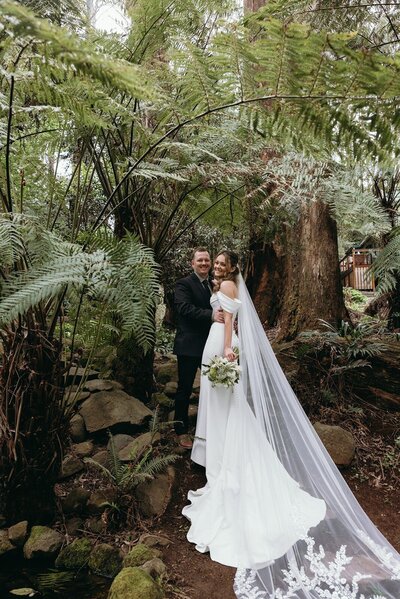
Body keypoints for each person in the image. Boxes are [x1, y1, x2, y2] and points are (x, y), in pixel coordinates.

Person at [182, 249, 400, 599]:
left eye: (222, 262)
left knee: (228, 413)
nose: (218, 266)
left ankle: (226, 468)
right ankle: (221, 464)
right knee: (228, 413)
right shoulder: (225, 284)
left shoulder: (226, 284)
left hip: (221, 349)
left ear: (231, 267)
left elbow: (230, 325)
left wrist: (226, 354)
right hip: (219, 347)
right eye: (215, 262)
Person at [172, 247, 223, 449]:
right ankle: (181, 430)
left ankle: (211, 428)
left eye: (207, 260)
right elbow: (184, 308)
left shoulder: (214, 285)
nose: (204, 263)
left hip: (211, 344)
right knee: (184, 388)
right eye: (200, 260)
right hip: (189, 345)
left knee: (215, 386)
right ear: (192, 264)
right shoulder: (184, 284)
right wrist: (211, 316)